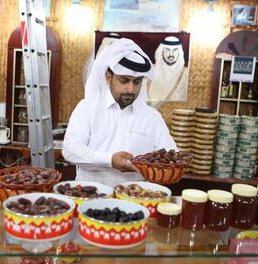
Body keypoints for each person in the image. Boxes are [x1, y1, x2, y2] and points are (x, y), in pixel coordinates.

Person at [63, 38, 177, 187]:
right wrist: (109, 160)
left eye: (137, 82)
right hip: (91, 198)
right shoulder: (87, 108)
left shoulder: (152, 117)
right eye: (124, 81)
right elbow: (71, 150)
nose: (130, 89)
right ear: (108, 77)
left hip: (135, 200)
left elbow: (170, 154)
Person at [147, 36, 188, 102]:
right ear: (162, 51)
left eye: (175, 50)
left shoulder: (186, 73)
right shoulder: (149, 71)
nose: (171, 54)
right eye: (167, 50)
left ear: (179, 52)